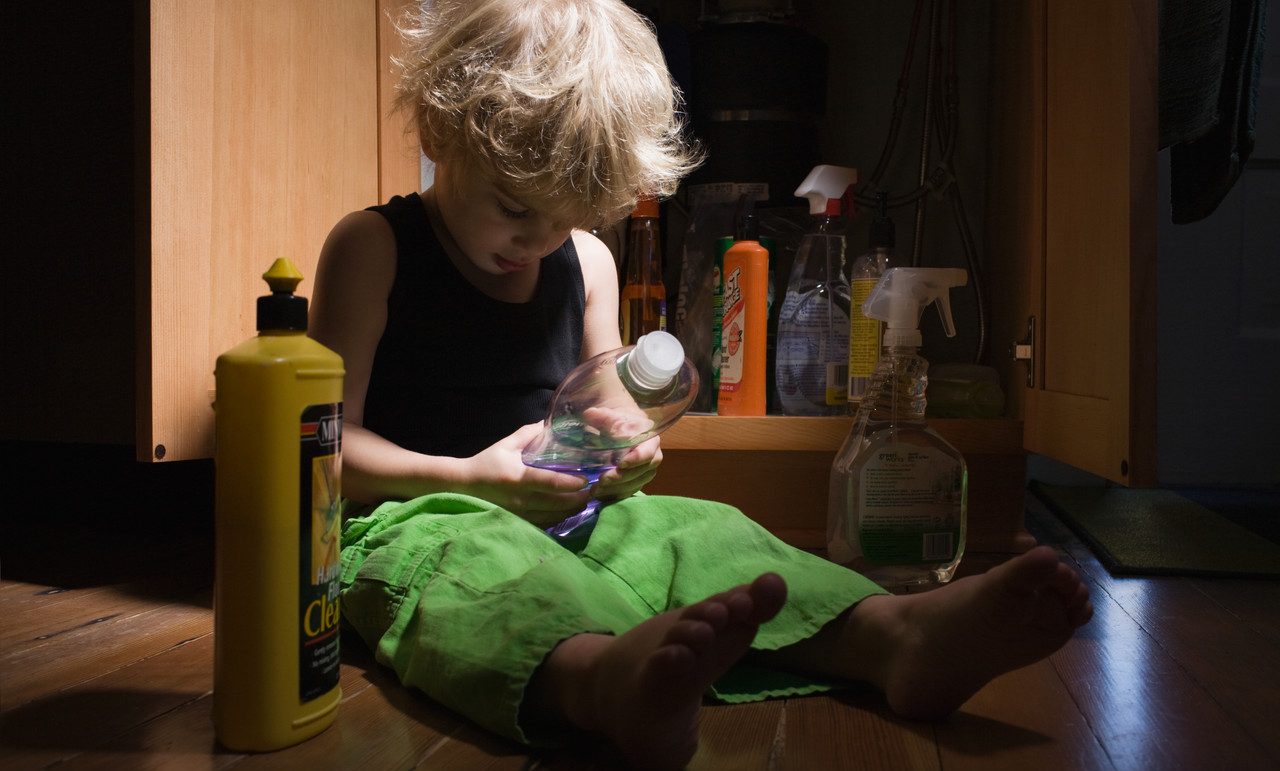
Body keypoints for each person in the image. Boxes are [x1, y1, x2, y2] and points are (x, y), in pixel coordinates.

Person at [309, 1, 1094, 768]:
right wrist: (473, 480)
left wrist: (630, 449)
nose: (539, 239)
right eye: (516, 208)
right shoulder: (375, 248)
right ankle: (599, 680)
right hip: (413, 515)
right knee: (476, 572)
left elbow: (609, 404)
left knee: (702, 531)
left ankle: (894, 635)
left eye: (571, 216)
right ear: (443, 133)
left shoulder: (585, 262)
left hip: (565, 512)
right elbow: (326, 452)